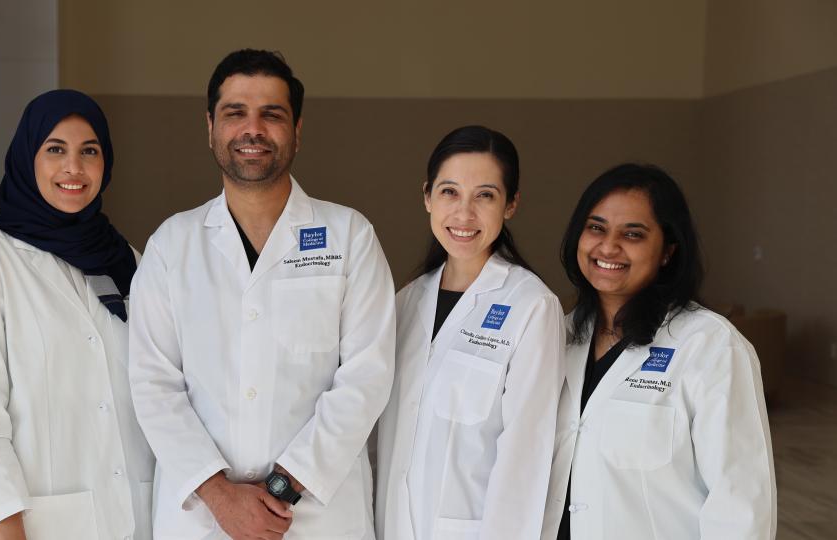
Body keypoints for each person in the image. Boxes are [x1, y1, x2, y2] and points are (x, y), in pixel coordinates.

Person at [129, 49, 395, 539]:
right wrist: (221, 496)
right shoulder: (172, 244)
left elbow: (366, 378)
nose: (252, 129)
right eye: (235, 113)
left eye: (272, 114)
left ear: (297, 130)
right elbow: (153, 384)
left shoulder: (349, 235)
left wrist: (282, 487)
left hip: (315, 516)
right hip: (204, 518)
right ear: (210, 126)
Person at [0, 90, 154, 539]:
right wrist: (9, 527)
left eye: (89, 151)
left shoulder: (128, 260)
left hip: (136, 516)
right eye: (55, 149)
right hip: (34, 525)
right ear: (27, 158)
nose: (73, 168)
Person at [540, 163, 776, 540]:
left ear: (667, 251)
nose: (608, 246)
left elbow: (740, 502)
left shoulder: (710, 346)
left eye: (633, 234)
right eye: (596, 227)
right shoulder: (556, 335)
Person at [374, 126, 566, 539]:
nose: (464, 214)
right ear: (427, 196)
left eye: (485, 195)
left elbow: (525, 460)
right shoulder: (404, 303)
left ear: (510, 204)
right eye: (449, 192)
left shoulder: (531, 306)